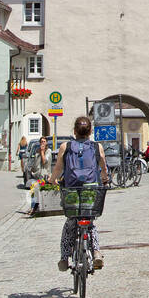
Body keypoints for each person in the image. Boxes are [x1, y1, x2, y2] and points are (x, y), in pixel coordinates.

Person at [51, 115, 109, 272]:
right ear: (90, 131)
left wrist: (52, 180)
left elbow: (58, 168)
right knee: (89, 221)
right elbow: (103, 166)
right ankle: (96, 251)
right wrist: (104, 179)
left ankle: (64, 258)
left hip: (72, 189)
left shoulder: (66, 146)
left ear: (74, 131)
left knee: (70, 222)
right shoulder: (97, 147)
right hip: (91, 189)